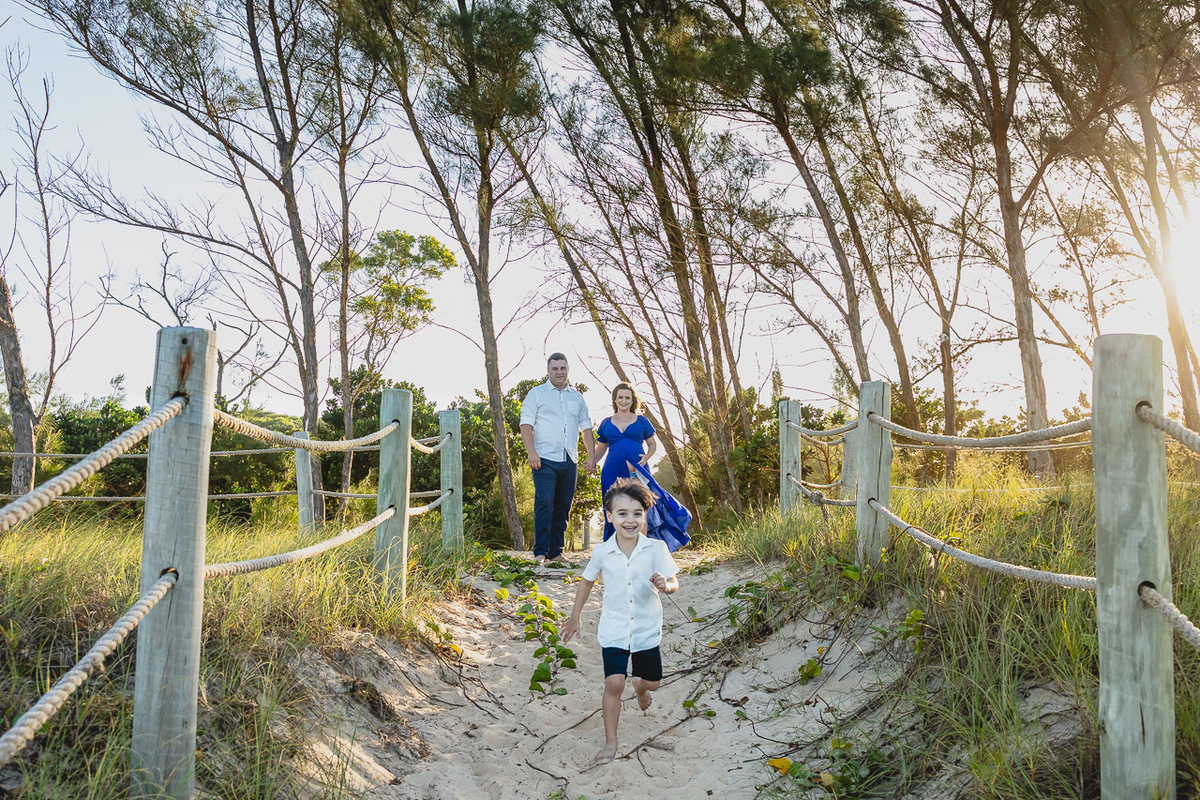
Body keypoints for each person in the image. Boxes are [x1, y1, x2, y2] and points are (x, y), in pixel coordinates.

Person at [563, 479, 680, 764]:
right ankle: (610, 743)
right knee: (614, 683)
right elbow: (587, 582)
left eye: (637, 513)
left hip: (646, 629)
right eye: (623, 513)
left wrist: (666, 584)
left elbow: (674, 581)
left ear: (645, 515)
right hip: (614, 628)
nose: (631, 520)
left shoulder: (656, 548)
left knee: (653, 683)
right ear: (610, 516)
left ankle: (640, 688)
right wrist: (574, 616)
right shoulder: (602, 552)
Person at [519, 353, 596, 566]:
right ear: (548, 370)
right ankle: (540, 552)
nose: (559, 372)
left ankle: (556, 551)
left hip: (569, 459)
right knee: (544, 503)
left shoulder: (577, 397)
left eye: (563, 368)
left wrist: (591, 457)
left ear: (568, 369)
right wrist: (531, 452)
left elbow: (586, 428)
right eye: (555, 369)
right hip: (543, 459)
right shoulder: (536, 394)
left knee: (563, 506)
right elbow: (526, 424)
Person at [594, 382, 691, 551]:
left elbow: (653, 444)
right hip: (611, 472)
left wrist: (646, 457)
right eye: (620, 398)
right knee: (615, 508)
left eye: (627, 398)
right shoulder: (606, 423)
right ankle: (616, 548)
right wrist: (591, 462)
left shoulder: (642, 421)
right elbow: (601, 447)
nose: (624, 401)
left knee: (641, 506)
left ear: (633, 401)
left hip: (638, 472)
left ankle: (642, 547)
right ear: (615, 400)